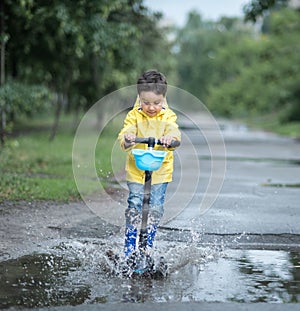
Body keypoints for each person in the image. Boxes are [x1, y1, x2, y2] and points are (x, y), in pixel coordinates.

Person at [118, 70, 181, 259]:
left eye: (156, 103)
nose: (151, 107)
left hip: (160, 170)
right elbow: (125, 132)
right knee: (135, 203)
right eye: (146, 103)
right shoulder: (134, 115)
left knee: (155, 207)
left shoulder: (168, 116)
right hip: (137, 169)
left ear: (163, 98)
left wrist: (171, 139)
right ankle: (130, 245)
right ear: (139, 98)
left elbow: (175, 133)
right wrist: (128, 138)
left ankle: (148, 247)